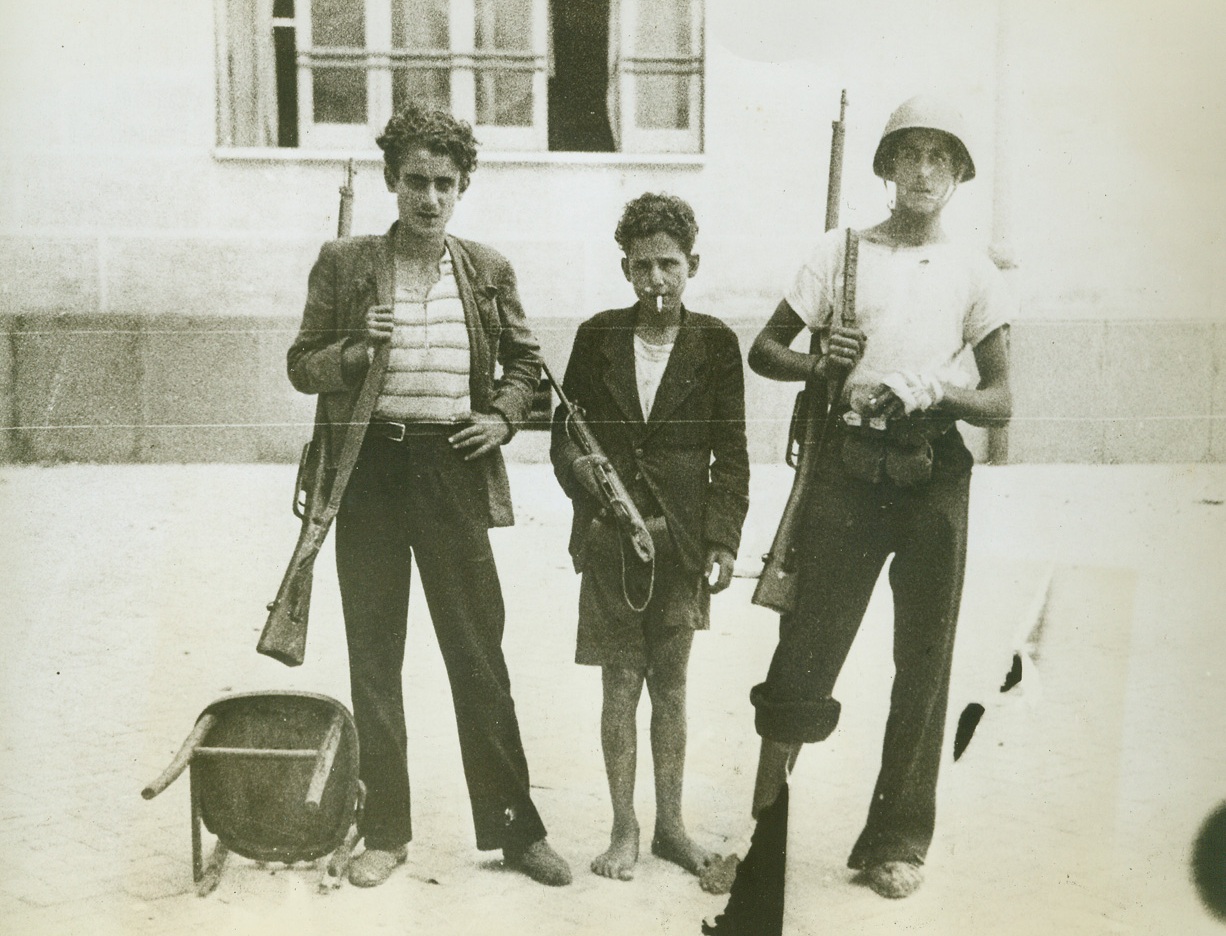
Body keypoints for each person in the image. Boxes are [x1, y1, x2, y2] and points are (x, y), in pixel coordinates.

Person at [286, 102, 571, 889]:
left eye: (446, 183)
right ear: (391, 180)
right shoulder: (346, 264)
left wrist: (502, 418)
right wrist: (354, 349)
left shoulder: (485, 268)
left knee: (479, 658)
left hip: (450, 470)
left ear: (464, 185)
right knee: (376, 659)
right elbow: (301, 364)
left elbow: (528, 370)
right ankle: (385, 832)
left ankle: (516, 831)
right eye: (416, 180)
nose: (430, 198)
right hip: (369, 471)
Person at [742, 95, 1014, 904]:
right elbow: (765, 349)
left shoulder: (973, 272)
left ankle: (896, 840)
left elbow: (1000, 400)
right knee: (806, 651)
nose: (923, 169)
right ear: (888, 168)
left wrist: (940, 389)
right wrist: (821, 358)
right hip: (847, 472)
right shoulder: (841, 252)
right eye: (909, 153)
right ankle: (764, 832)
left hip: (932, 475)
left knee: (924, 661)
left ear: (958, 175)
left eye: (941, 156)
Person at [551, 193, 750, 883]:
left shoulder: (716, 343)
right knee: (619, 685)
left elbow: (733, 453)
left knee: (671, 684)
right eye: (642, 267)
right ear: (625, 268)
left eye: (668, 264)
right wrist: (587, 478)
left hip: (685, 546)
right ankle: (623, 829)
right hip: (611, 542)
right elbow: (564, 435)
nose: (655, 280)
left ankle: (671, 826)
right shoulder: (597, 337)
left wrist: (722, 541)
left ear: (691, 264)